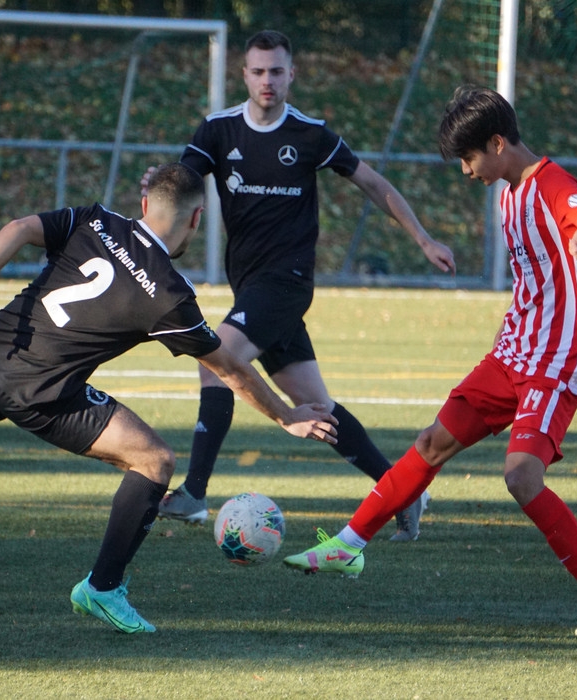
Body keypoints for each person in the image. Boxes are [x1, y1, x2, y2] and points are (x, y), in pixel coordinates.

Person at [0, 163, 338, 634]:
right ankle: (102, 587)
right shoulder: (169, 295)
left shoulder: (95, 219)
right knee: (155, 461)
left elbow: (19, 227)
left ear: (144, 204)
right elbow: (230, 368)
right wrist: (286, 416)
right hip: (42, 393)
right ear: (196, 219)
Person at [283, 85, 577, 638]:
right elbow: (531, 280)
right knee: (431, 443)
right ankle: (348, 546)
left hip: (556, 356)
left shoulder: (550, 183)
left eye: (469, 158)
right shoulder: (507, 194)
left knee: (521, 476)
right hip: (515, 348)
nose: (467, 171)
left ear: (497, 143)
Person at [148, 30, 456, 542]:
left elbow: (372, 182)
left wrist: (423, 239)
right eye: (258, 71)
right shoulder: (218, 130)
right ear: (244, 75)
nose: (267, 80)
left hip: (286, 283)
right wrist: (155, 186)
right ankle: (403, 490)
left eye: (276, 71)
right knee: (318, 407)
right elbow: (180, 185)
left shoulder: (310, 134)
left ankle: (194, 493)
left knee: (216, 357)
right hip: (251, 287)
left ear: (291, 74)